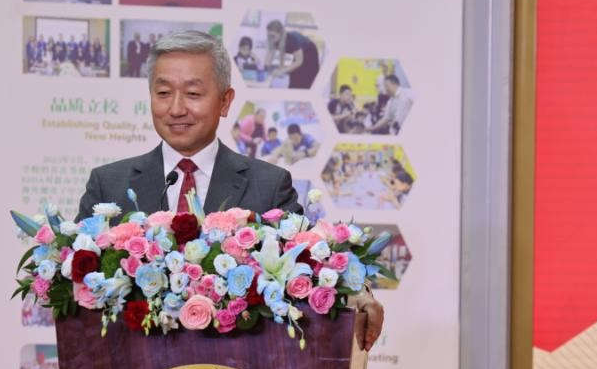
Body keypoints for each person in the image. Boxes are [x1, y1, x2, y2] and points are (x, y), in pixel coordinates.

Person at [76, 30, 382, 349]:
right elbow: (72, 275)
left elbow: (311, 266)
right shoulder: (109, 185)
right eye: (163, 92)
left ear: (225, 101)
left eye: (193, 93)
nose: (176, 108)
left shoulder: (269, 186)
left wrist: (361, 297)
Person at [264, 20, 320, 88]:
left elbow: (299, 61)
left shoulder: (291, 40)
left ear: (280, 33)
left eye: (272, 36)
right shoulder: (274, 39)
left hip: (310, 53)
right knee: (293, 77)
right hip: (299, 53)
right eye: (269, 35)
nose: (270, 38)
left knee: (303, 81)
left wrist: (282, 71)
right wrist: (265, 69)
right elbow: (271, 54)